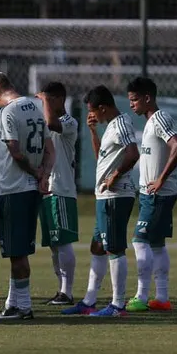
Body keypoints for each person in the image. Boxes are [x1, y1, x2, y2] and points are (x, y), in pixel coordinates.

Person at [63, 85, 139, 317]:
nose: (92, 114)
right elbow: (102, 159)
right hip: (104, 196)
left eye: (93, 111)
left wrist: (115, 176)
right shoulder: (110, 127)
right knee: (97, 246)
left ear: (103, 107)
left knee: (113, 248)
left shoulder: (122, 124)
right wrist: (94, 132)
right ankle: (89, 301)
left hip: (116, 196)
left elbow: (133, 153)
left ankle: (117, 305)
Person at [0, 72, 55, 320]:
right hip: (31, 188)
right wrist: (44, 175)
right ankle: (13, 303)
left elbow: (14, 151)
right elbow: (49, 148)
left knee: (17, 253)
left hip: (14, 188)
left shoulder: (7, 112)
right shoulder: (35, 107)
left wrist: (36, 173)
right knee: (18, 249)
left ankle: (23, 307)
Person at [126, 77, 177, 312]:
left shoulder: (159, 118)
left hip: (158, 194)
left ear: (147, 98)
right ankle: (162, 298)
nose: (131, 104)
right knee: (157, 244)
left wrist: (161, 179)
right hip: (152, 193)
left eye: (135, 99)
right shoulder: (150, 121)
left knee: (139, 241)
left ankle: (141, 296)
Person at [35, 82, 79, 306]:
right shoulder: (46, 123)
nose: (46, 106)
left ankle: (68, 291)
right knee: (54, 243)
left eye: (50, 101)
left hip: (62, 188)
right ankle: (61, 289)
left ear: (61, 100)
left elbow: (51, 123)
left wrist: (43, 100)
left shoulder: (69, 122)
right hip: (47, 188)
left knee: (62, 241)